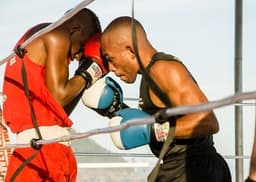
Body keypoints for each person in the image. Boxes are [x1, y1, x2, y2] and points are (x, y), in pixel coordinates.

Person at [83, 16, 232, 182]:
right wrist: (116, 109)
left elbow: (208, 122)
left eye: (111, 59)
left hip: (194, 168)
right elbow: (154, 124)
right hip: (179, 166)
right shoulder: (150, 75)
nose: (111, 68)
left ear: (130, 51)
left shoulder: (163, 69)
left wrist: (153, 131)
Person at [2, 8, 107, 181]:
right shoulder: (57, 35)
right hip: (40, 153)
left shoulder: (35, 38)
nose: (78, 56)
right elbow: (60, 97)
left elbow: (59, 109)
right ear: (75, 28)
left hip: (43, 150)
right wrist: (92, 70)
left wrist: (85, 73)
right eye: (82, 48)